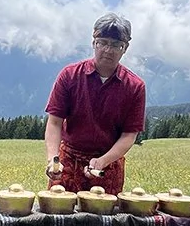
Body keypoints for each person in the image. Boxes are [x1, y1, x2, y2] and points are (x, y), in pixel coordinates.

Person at [44, 12, 146, 195]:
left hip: (108, 166)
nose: (108, 50)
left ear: (125, 48)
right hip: (67, 161)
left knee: (105, 221)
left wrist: (103, 161)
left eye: (116, 45)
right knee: (59, 217)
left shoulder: (135, 87)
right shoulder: (69, 75)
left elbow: (129, 135)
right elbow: (54, 122)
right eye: (103, 42)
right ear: (94, 43)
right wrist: (53, 159)